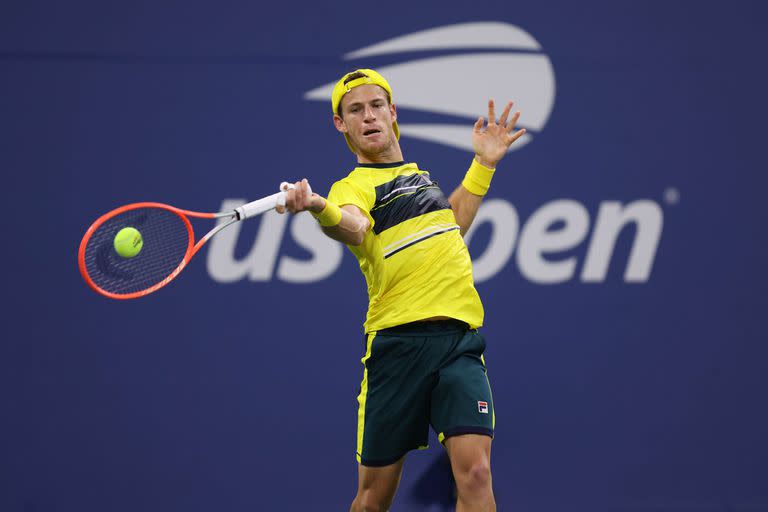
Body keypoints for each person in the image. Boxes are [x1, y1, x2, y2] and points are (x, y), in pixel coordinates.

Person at [277, 69, 525, 511]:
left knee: (477, 472)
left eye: (376, 106)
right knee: (373, 500)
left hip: (458, 343)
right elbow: (353, 227)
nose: (368, 116)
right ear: (341, 124)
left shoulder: (419, 178)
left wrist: (483, 165)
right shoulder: (351, 188)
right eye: (355, 110)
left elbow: (451, 227)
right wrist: (318, 205)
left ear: (392, 113)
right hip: (396, 348)